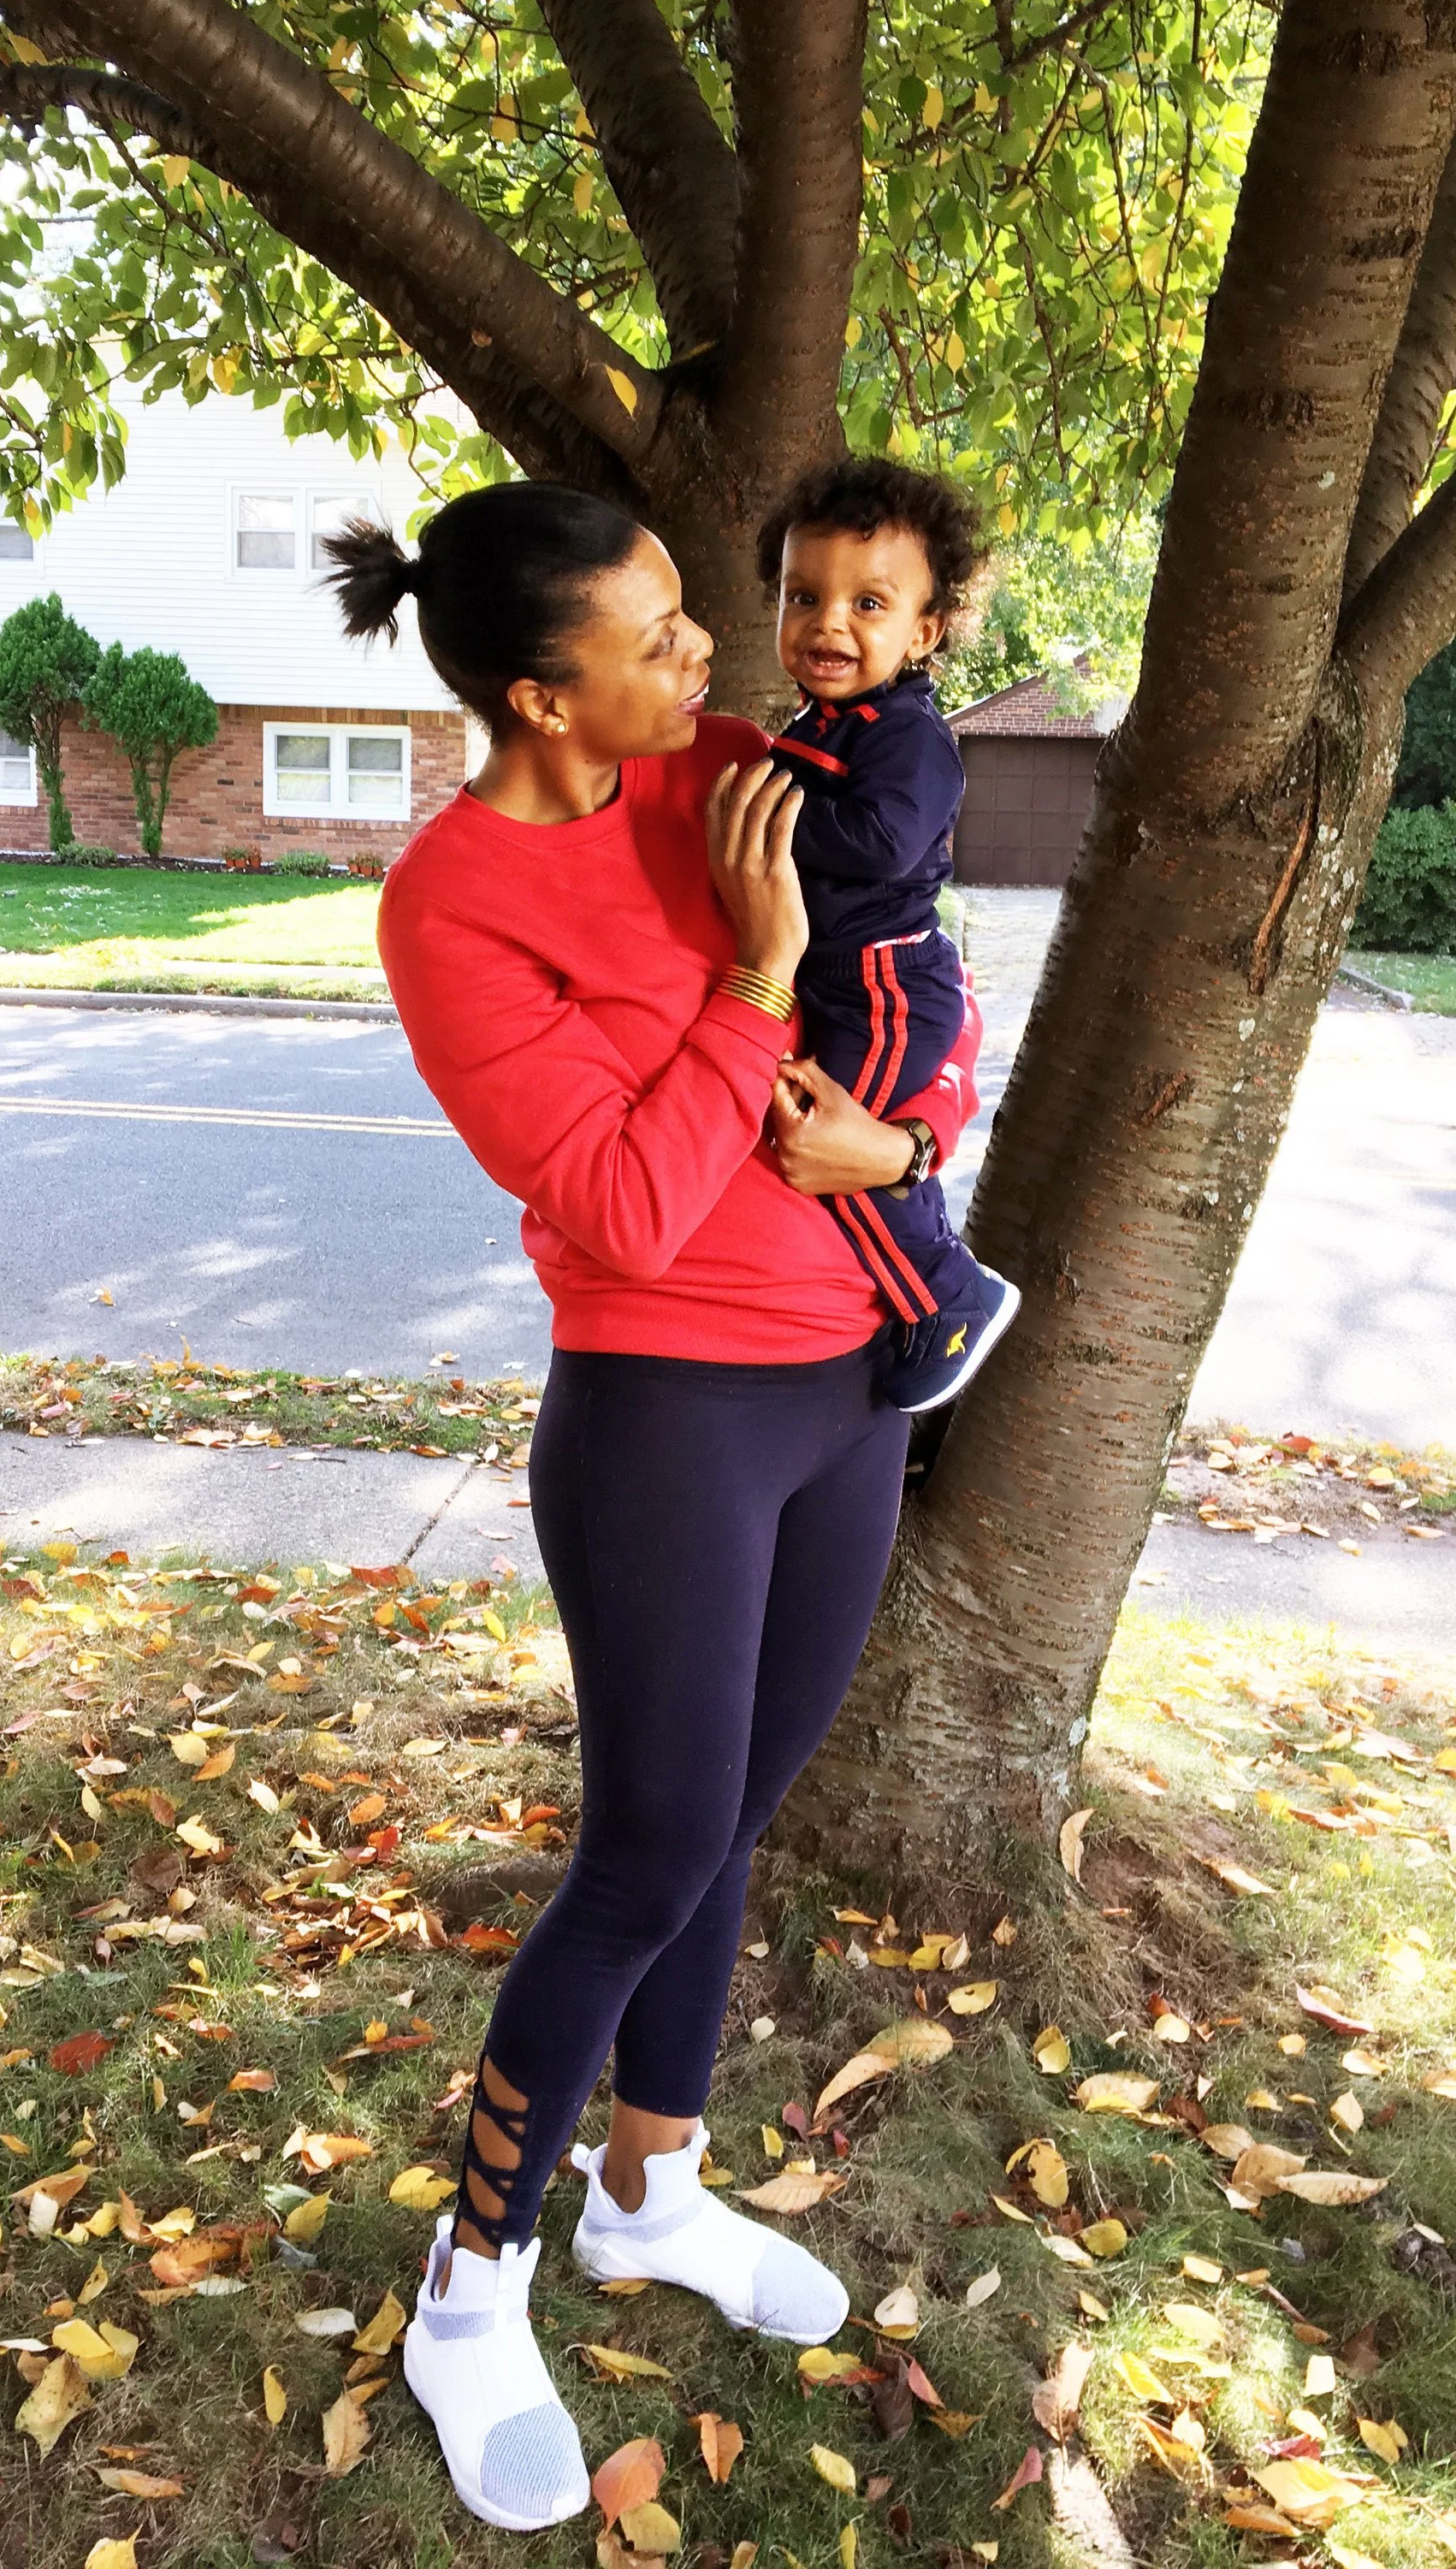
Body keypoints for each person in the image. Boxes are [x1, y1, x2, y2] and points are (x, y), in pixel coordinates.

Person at [322, 483, 981, 2536]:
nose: (712, 658)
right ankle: (467, 2285)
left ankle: (651, 2193)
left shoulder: (729, 764)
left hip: (845, 1389)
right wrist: (754, 983)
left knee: (733, 1828)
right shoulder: (453, 902)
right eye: (660, 637)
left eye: (703, 619)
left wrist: (912, 1131)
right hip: (667, 1406)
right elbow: (615, 1195)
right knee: (650, 1851)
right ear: (542, 693)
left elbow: (916, 967)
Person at [760, 458, 1021, 1412]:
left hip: (881, 984)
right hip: (841, 977)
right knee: (831, 1135)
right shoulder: (827, 719)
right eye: (804, 595)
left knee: (836, 1144)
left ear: (924, 630)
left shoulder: (908, 733)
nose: (829, 621)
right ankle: (926, 1292)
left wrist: (769, 815)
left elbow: (881, 841)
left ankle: (948, 1295)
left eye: (868, 603)